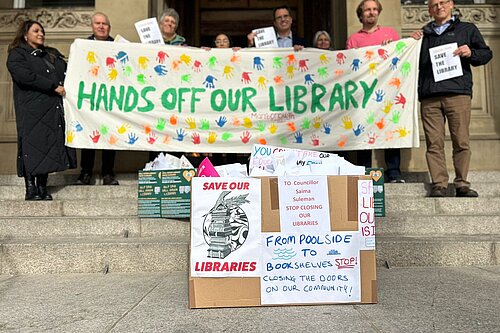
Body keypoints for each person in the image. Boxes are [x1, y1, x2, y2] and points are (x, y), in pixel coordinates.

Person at [413, 0, 492, 197]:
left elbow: (486, 54)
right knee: (434, 143)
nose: (438, 7)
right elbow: (406, 60)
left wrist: (470, 52)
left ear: (451, 5)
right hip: (430, 96)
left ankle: (462, 184)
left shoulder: (467, 29)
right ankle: (439, 183)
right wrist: (410, 43)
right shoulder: (423, 34)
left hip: (458, 94)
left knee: (461, 141)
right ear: (429, 10)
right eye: (434, 4)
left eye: (442, 2)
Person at [6, 20, 77, 200]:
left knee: (47, 147)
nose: (41, 34)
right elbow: (24, 76)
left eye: (42, 31)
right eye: (36, 31)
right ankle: (31, 188)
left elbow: (68, 71)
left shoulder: (49, 55)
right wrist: (52, 85)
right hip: (30, 110)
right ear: (25, 35)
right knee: (32, 146)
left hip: (50, 109)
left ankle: (42, 187)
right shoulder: (17, 54)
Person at [346, 0, 404, 183]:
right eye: (367, 10)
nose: (371, 13)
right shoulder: (353, 40)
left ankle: (394, 173)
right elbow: (349, 68)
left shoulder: (391, 34)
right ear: (360, 15)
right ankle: (366, 174)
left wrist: (392, 48)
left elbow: (401, 59)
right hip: (364, 94)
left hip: (387, 92)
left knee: (390, 130)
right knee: (364, 132)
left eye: (374, 9)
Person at [76, 12, 119, 186]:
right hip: (90, 99)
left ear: (109, 27)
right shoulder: (82, 46)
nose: (101, 26)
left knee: (110, 136)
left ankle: (108, 173)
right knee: (89, 135)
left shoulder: (118, 46)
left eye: (105, 24)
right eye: (98, 23)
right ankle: (85, 172)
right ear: (92, 26)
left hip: (111, 99)